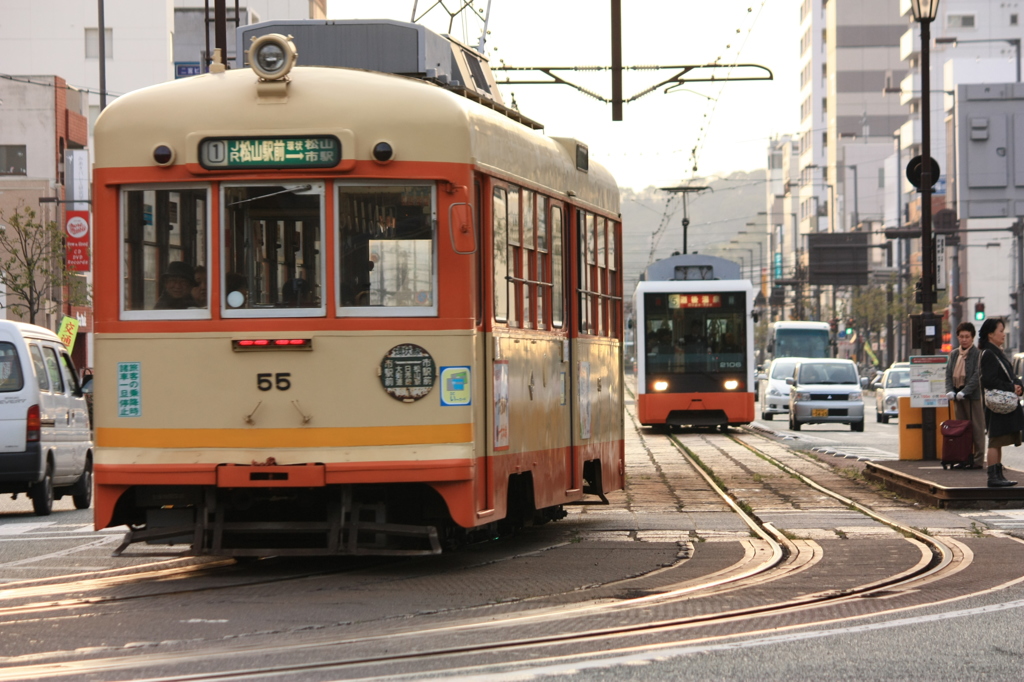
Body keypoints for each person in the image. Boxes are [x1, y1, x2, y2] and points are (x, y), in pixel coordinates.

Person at [977, 317, 1020, 487]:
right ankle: (993, 477)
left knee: (999, 440)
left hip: (1001, 403)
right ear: (990, 334)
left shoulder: (996, 352)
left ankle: (998, 475)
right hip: (996, 404)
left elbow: (1010, 374)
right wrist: (1011, 387)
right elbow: (988, 380)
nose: (1003, 334)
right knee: (995, 439)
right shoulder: (989, 354)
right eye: (1001, 331)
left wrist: (1018, 386)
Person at [944, 321, 985, 468]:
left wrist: (965, 391)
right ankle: (963, 458)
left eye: (967, 336)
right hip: (957, 397)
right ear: (957, 337)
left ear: (972, 337)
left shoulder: (977, 354)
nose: (964, 339)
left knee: (977, 430)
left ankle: (978, 460)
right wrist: (949, 390)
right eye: (961, 336)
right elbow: (948, 374)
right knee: (961, 431)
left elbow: (976, 375)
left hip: (972, 397)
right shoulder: (954, 354)